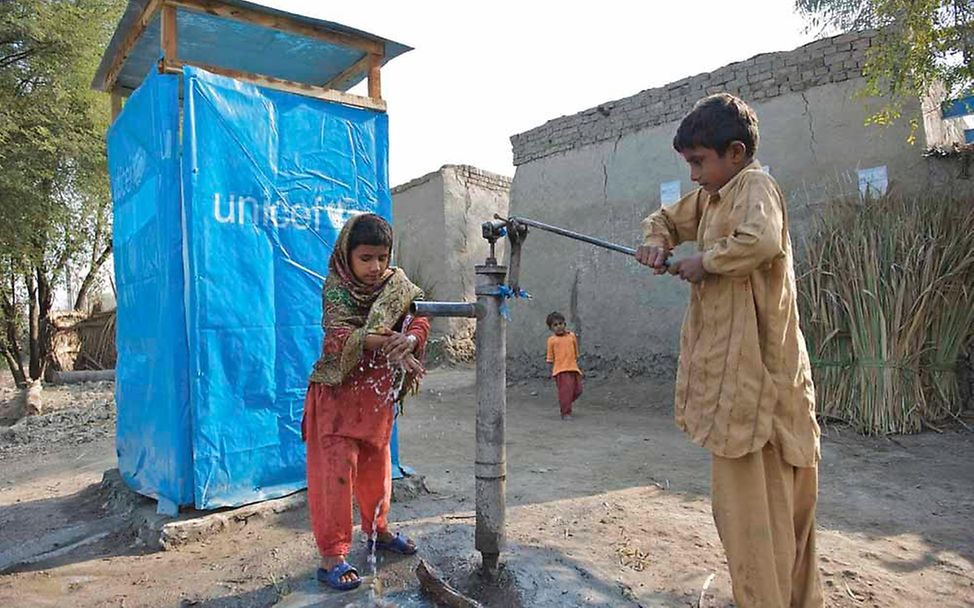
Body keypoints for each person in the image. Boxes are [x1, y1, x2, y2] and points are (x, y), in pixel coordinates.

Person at [635, 93, 823, 607]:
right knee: (756, 518)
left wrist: (706, 262)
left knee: (760, 522)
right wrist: (657, 240)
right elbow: (665, 218)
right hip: (738, 386)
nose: (694, 175)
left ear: (735, 152)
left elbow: (760, 242)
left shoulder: (755, 186)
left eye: (699, 162)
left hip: (762, 384)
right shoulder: (714, 196)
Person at [303, 213, 429, 591]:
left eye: (382, 257)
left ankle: (378, 532)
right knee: (335, 481)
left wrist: (408, 341)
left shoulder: (397, 287)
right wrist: (384, 340)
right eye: (366, 258)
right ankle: (332, 556)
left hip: (375, 401)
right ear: (348, 256)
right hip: (337, 403)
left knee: (377, 471)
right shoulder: (337, 289)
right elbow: (338, 338)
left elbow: (420, 319)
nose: (376, 267)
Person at [545, 311, 582, 420]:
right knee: (565, 392)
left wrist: (575, 362)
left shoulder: (572, 336)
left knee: (578, 390)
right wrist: (551, 370)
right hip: (560, 370)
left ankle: (565, 402)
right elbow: (550, 357)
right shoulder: (552, 340)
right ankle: (566, 412)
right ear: (551, 328)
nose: (558, 327)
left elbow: (576, 352)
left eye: (560, 323)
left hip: (573, 368)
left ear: (565, 324)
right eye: (555, 325)